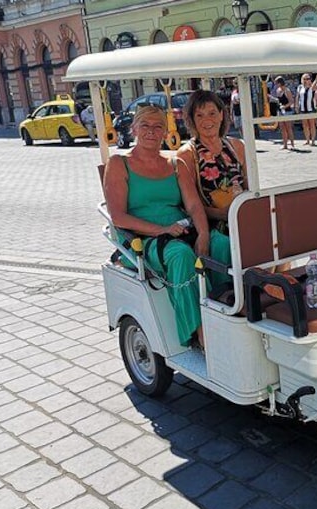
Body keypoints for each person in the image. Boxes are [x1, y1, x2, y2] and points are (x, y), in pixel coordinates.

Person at [103, 105, 210, 348]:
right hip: (139, 240)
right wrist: (161, 230)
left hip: (179, 230)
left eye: (158, 126)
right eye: (145, 126)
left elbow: (193, 206)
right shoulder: (119, 163)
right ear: (134, 129)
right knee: (181, 255)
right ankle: (197, 333)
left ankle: (230, 314)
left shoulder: (175, 165)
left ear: (165, 132)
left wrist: (203, 234)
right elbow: (118, 217)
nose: (152, 131)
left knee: (224, 245)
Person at [177, 90, 248, 289]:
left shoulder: (236, 146)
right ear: (191, 119)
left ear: (222, 114)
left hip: (241, 215)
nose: (207, 120)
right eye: (199, 115)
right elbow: (190, 203)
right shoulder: (187, 154)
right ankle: (228, 297)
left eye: (212, 113)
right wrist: (224, 215)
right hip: (212, 220)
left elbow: (250, 187)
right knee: (224, 244)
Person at [274, 76, 296, 150]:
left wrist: (285, 106)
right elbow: (279, 100)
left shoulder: (287, 90)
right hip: (280, 111)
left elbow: (291, 101)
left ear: (280, 83)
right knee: (282, 128)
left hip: (287, 111)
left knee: (288, 128)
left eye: (276, 83)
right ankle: (285, 144)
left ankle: (292, 144)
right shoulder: (278, 90)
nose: (276, 85)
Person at [296, 74, 317, 146]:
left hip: (311, 108)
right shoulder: (300, 87)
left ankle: (313, 140)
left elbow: (316, 97)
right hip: (303, 108)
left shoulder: (313, 87)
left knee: (312, 125)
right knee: (305, 125)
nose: (306, 80)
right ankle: (307, 140)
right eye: (304, 79)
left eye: (308, 79)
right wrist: (296, 106)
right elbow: (297, 97)